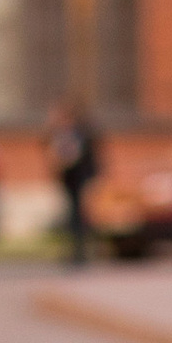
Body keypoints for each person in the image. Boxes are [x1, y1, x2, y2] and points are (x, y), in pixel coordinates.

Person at [43, 101, 102, 264]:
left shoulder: (80, 132)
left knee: (79, 215)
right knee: (72, 214)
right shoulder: (60, 132)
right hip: (69, 179)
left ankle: (81, 252)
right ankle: (76, 251)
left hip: (80, 178)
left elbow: (80, 155)